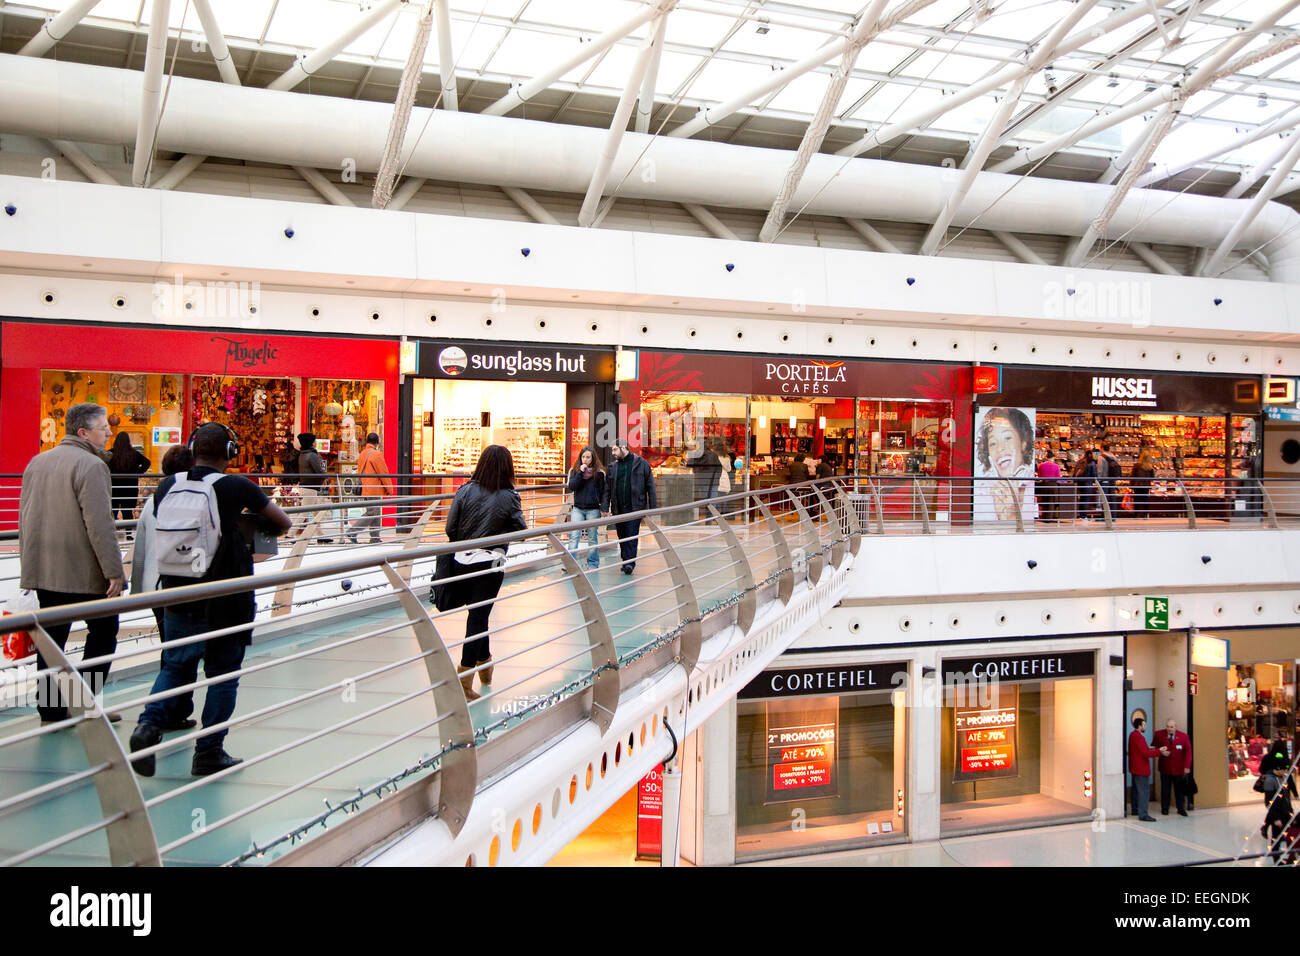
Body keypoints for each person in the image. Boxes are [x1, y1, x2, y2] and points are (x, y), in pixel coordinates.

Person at [129, 423, 291, 777]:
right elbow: (283, 522)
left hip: (178, 591)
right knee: (222, 676)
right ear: (230, 453)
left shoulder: (167, 486)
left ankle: (147, 725)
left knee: (175, 666)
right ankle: (208, 752)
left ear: (193, 449)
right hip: (225, 597)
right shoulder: (236, 486)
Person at [19, 403, 126, 725]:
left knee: (52, 640)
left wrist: (29, 565)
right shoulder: (92, 465)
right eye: (103, 428)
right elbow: (100, 524)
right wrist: (114, 572)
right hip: (83, 569)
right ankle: (83, 704)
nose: (109, 433)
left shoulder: (37, 462)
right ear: (83, 433)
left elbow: (25, 515)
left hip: (45, 568)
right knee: (104, 631)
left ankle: (51, 711)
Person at [444, 445, 527, 700]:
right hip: (490, 564)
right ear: (507, 468)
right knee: (478, 618)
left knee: (479, 615)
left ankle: (486, 667)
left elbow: (450, 528)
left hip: (461, 561)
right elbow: (521, 531)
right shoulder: (509, 496)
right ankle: (464, 678)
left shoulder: (464, 490)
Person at [608, 438, 658, 575]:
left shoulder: (642, 464)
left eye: (615, 449)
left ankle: (629, 563)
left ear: (623, 448)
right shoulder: (613, 467)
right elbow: (608, 488)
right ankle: (625, 561)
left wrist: (653, 508)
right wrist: (605, 507)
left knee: (631, 534)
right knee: (622, 535)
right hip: (618, 508)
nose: (613, 453)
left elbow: (650, 486)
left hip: (635, 507)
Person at [975, 408, 1035, 522]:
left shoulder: (1031, 487)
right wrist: (1002, 516)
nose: (1000, 448)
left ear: (1023, 443)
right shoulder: (983, 492)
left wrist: (1011, 515)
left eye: (1007, 438)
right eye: (993, 443)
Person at [346, 433, 393, 544]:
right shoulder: (376, 454)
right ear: (377, 442)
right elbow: (383, 473)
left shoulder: (363, 453)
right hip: (374, 488)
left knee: (375, 512)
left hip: (365, 487)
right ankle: (352, 532)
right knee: (372, 512)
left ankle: (375, 537)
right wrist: (389, 489)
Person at [566, 446, 608, 570]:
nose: (585, 459)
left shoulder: (599, 473)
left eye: (588, 457)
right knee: (574, 536)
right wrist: (580, 472)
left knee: (592, 537)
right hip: (578, 508)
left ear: (593, 458)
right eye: (583, 457)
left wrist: (604, 508)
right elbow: (572, 486)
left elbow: (603, 492)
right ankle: (571, 565)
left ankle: (593, 563)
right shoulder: (574, 471)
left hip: (593, 509)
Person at [1128, 714, 1167, 822]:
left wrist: (1148, 747)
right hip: (1141, 769)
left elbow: (1139, 749)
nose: (1145, 727)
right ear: (1140, 726)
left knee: (1136, 790)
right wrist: (1160, 751)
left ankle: (1135, 809)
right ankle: (1143, 814)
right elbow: (1146, 754)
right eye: (1144, 725)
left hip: (1135, 768)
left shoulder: (1132, 735)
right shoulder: (1139, 737)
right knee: (1144, 792)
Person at [108, 431, 151, 524]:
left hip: (114, 488)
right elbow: (147, 462)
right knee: (127, 512)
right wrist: (137, 472)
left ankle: (114, 530)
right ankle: (128, 531)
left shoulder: (111, 453)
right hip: (130, 488)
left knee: (113, 511)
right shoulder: (134, 453)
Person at [1152, 717, 1192, 816]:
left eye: (1171, 727)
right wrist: (1161, 752)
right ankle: (1165, 808)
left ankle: (1181, 808)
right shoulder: (1159, 734)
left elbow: (1188, 752)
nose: (1169, 729)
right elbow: (1153, 747)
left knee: (1179, 790)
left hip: (1178, 768)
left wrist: (1187, 766)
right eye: (1168, 727)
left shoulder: (1183, 736)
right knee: (1165, 789)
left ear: (1175, 727)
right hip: (1165, 767)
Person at [295, 432, 330, 541]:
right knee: (305, 513)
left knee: (316, 513)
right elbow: (319, 470)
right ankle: (290, 534)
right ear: (311, 442)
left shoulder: (302, 454)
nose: (316, 442)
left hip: (306, 486)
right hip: (311, 487)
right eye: (314, 440)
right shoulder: (312, 455)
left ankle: (320, 535)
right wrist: (325, 476)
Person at [1261, 762, 1297, 864]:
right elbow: (1269, 802)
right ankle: (1276, 860)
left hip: (1287, 812)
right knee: (1276, 838)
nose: (1286, 772)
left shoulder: (1284, 777)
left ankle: (1290, 858)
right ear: (1278, 769)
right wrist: (1276, 818)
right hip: (1278, 814)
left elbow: (1286, 795)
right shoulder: (1270, 780)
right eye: (1284, 770)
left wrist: (1290, 810)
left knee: (1290, 835)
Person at [686, 439, 722, 519]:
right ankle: (710, 519)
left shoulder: (697, 454)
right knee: (712, 502)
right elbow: (719, 468)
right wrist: (717, 478)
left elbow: (689, 464)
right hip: (713, 481)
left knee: (705, 500)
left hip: (702, 481)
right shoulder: (714, 455)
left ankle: (707, 519)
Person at [1098, 442, 1123, 516]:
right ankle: (1113, 515)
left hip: (1104, 480)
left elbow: (1100, 470)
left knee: (1104, 498)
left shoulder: (1101, 457)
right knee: (1112, 497)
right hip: (1112, 480)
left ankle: (1105, 515)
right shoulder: (1114, 457)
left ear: (1102, 448)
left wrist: (1098, 480)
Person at [1130, 447, 1156, 518]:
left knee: (1137, 499)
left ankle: (1136, 514)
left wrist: (1131, 486)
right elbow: (1152, 477)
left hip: (1137, 485)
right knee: (1145, 499)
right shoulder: (1150, 468)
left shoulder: (1137, 466)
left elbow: (1132, 476)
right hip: (1146, 486)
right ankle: (1145, 514)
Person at [1073, 451, 1100, 521]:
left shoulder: (1080, 461)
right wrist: (1095, 481)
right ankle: (1084, 516)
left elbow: (1075, 472)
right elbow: (1094, 474)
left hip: (1079, 483)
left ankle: (1081, 515)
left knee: (1081, 499)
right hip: (1087, 483)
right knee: (1086, 499)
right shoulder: (1091, 463)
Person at [1035, 454, 1062, 522]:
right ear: (1052, 458)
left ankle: (1044, 517)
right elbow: (1058, 477)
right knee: (1051, 502)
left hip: (1044, 485)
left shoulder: (1041, 465)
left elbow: (1039, 476)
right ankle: (1049, 518)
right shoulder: (1056, 466)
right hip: (1053, 485)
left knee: (1044, 501)